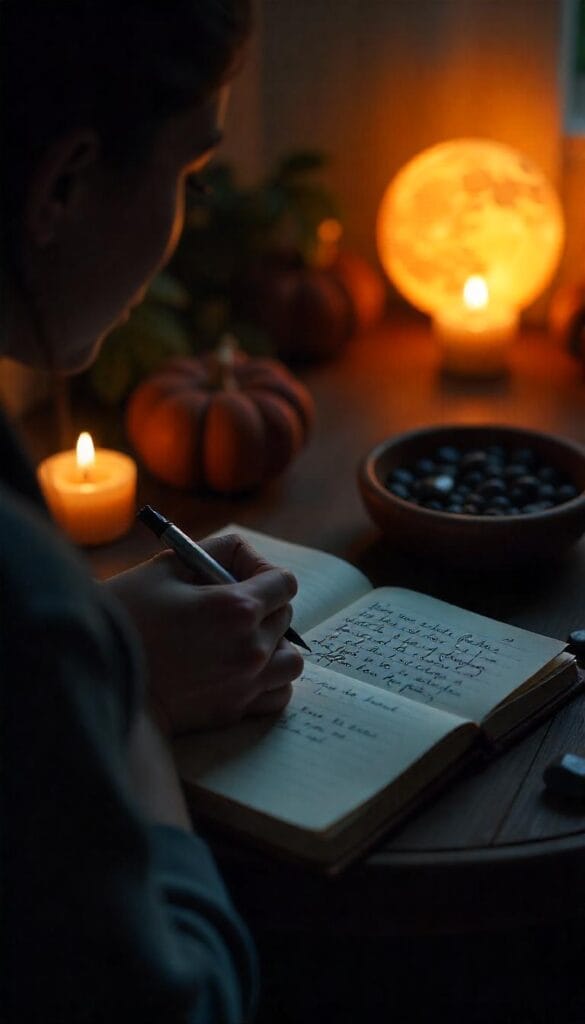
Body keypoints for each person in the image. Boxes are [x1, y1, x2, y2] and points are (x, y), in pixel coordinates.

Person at [0, 3, 305, 1021]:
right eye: (188, 172)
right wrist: (118, 697)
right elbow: (182, 1003)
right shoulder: (28, 601)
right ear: (65, 184)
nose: (182, 223)